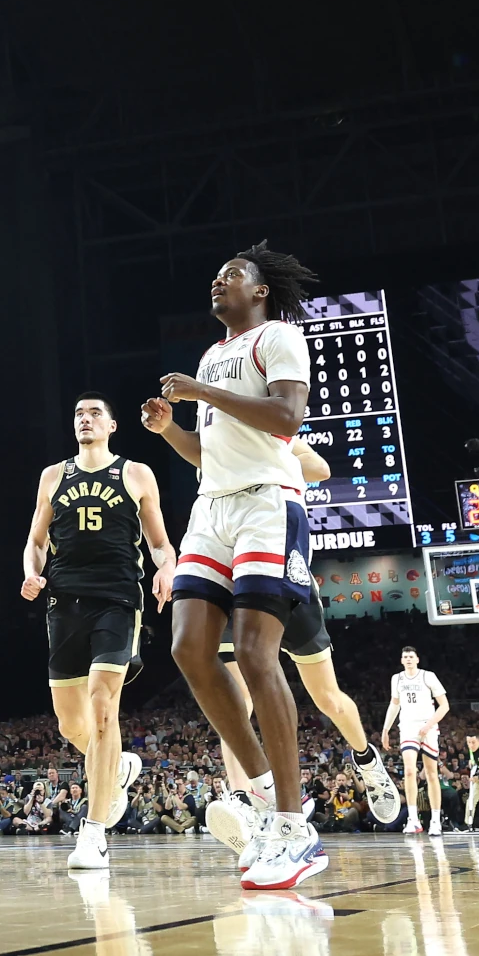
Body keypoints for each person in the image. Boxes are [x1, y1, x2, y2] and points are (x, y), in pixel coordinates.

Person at [141, 241, 328, 890]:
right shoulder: (211, 356)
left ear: (261, 291)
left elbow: (285, 419)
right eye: (216, 276)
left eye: (233, 276)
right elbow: (210, 453)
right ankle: (268, 799)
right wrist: (171, 427)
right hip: (213, 506)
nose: (219, 283)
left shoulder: (279, 338)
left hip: (269, 505)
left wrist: (200, 389)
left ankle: (294, 827)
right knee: (190, 648)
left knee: (254, 652)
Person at [202, 437, 403, 864]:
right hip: (234, 579)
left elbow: (320, 471)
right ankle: (248, 803)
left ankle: (367, 761)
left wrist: (272, 449)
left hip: (285, 571)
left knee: (326, 696)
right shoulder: (214, 439)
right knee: (234, 703)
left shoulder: (278, 436)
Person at [19, 392, 176, 871]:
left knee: (103, 706)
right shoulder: (54, 476)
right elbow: (36, 542)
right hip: (63, 602)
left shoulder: (135, 473)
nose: (84, 420)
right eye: (78, 415)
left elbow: (161, 544)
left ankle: (95, 833)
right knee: (70, 723)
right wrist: (32, 572)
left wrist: (166, 569)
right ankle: (118, 766)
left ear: (111, 426)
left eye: (93, 414)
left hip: (117, 599)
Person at [381, 645, 451, 835]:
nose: (409, 659)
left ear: (417, 659)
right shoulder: (396, 679)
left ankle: (435, 821)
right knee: (410, 771)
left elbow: (444, 705)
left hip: (428, 726)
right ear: (402, 660)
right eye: (405, 657)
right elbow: (394, 705)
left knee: (431, 774)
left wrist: (429, 725)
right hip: (408, 727)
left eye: (412, 656)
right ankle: (413, 820)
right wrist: (386, 729)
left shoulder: (428, 676)